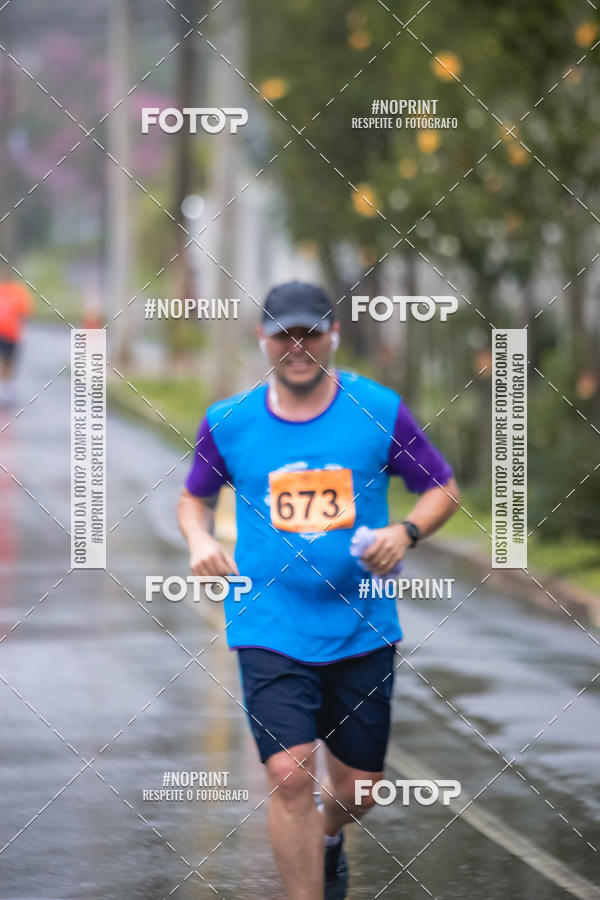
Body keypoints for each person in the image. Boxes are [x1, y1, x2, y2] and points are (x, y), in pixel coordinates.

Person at [178, 281, 460, 899]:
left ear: (333, 336)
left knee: (360, 788)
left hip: (362, 625)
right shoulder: (228, 421)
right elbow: (193, 499)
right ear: (264, 339)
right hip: (269, 622)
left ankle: (329, 833)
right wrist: (199, 541)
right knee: (288, 774)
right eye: (285, 335)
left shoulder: (378, 410)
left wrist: (406, 531)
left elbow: (442, 485)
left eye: (311, 333)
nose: (297, 347)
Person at [0, 265, 32, 407]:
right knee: (2, 360)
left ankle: (8, 388)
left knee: (10, 361)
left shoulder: (18, 292)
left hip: (12, 333)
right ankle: (3, 388)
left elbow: (24, 312)